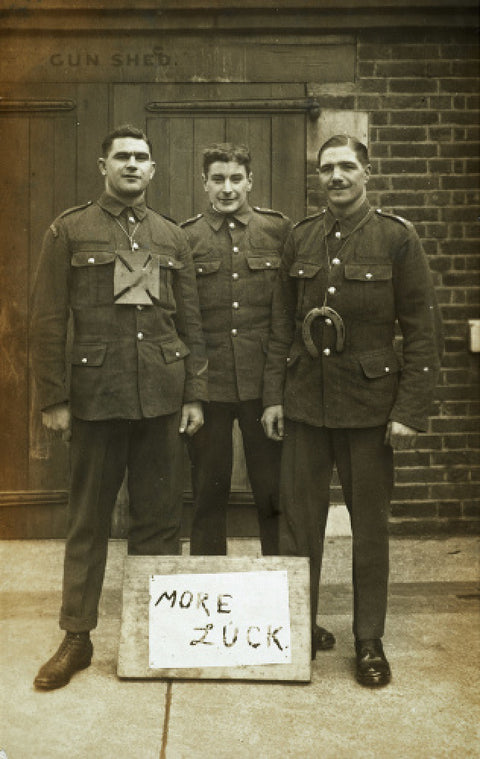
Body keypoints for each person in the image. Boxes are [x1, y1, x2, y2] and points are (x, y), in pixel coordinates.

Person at [30, 124, 208, 690]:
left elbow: (191, 322)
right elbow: (47, 320)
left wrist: (194, 394)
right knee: (87, 520)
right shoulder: (70, 230)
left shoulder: (171, 236)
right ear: (102, 165)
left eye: (142, 158)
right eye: (122, 157)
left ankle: (153, 633)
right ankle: (77, 636)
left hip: (159, 397)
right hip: (96, 399)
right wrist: (55, 398)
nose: (133, 165)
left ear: (154, 170)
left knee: (158, 521)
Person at [262, 134, 442, 684]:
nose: (336, 177)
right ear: (318, 177)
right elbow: (280, 326)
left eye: (346, 167)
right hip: (304, 407)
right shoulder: (301, 236)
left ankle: (369, 641)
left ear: (367, 172)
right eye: (326, 169)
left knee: (369, 529)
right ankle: (297, 631)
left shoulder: (396, 237)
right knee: (299, 527)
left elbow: (421, 330)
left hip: (370, 409)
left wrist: (409, 409)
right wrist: (273, 396)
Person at [180, 144, 302, 561]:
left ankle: (281, 605)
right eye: (218, 179)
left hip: (262, 388)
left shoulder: (278, 231)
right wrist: (192, 392)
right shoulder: (187, 236)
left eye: (236, 179)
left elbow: (285, 318)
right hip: (208, 387)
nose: (227, 188)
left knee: (273, 495)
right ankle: (207, 603)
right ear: (204, 183)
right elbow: (186, 322)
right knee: (207, 496)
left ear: (250, 181)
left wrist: (276, 396)